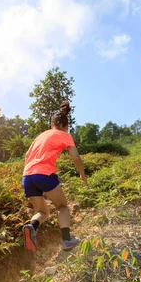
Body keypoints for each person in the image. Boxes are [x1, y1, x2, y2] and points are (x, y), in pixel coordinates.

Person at [21, 102, 87, 252]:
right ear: (66, 126)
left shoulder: (40, 136)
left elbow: (26, 155)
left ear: (52, 124)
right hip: (44, 174)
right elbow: (76, 157)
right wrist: (82, 174)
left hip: (27, 175)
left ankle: (31, 226)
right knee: (62, 207)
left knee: (43, 212)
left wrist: (30, 174)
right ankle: (67, 240)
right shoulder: (64, 135)